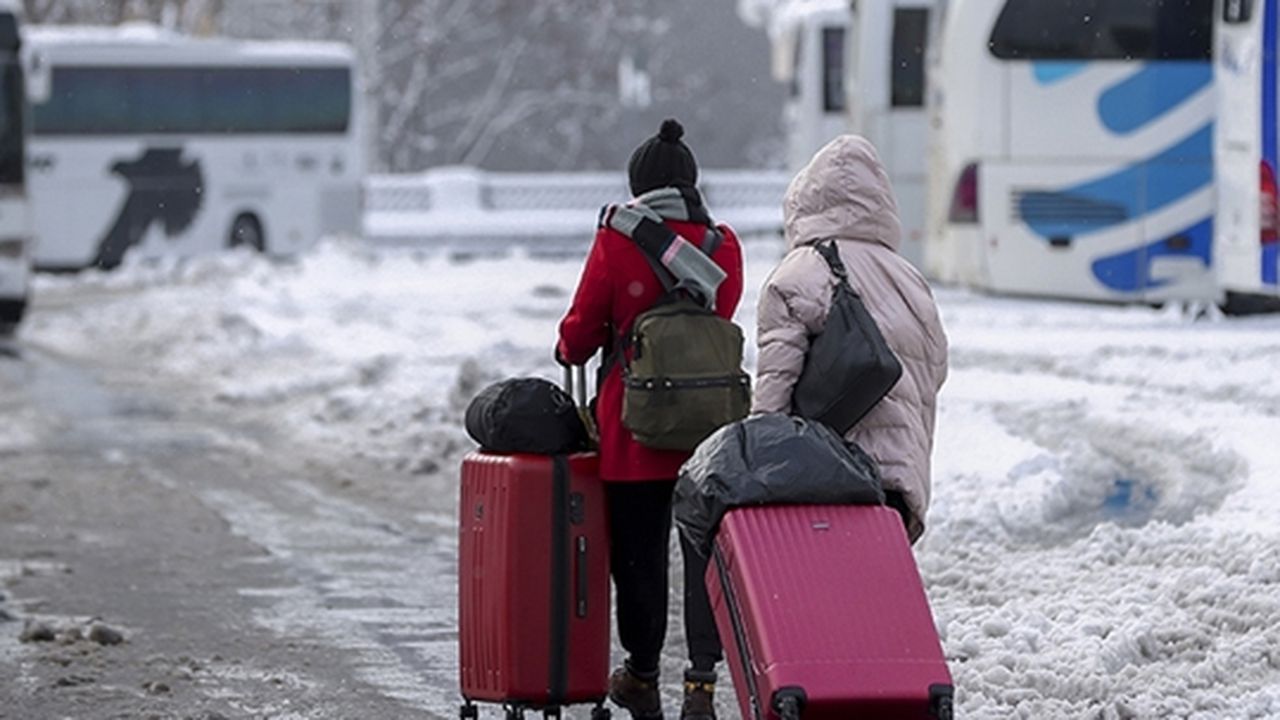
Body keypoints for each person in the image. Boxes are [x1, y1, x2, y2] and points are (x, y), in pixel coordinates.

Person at [556, 118, 744, 720]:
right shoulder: (723, 246)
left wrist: (567, 349)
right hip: (707, 433)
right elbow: (717, 319)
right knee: (703, 560)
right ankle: (701, 685)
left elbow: (583, 329)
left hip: (635, 433)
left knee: (638, 560)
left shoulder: (619, 239)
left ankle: (640, 675)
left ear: (638, 186)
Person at [754, 134, 948, 543]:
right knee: (874, 597)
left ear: (806, 200)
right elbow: (933, 375)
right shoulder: (909, 278)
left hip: (825, 473)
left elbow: (775, 384)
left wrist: (759, 464)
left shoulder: (798, 273)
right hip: (899, 479)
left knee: (822, 600)